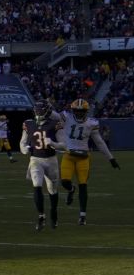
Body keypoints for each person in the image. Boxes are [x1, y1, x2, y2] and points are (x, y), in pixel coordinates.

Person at [57, 98, 120, 225]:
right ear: (73, 110)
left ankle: (82, 215)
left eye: (82, 111)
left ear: (86, 111)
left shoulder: (91, 123)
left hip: (83, 158)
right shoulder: (66, 117)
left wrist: (111, 158)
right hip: (68, 155)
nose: (79, 113)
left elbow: (99, 142)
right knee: (64, 182)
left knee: (83, 185)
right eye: (77, 111)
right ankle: (70, 190)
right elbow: (53, 115)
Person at [19, 101, 61, 230]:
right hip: (36, 159)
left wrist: (53, 143)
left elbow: (64, 144)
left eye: (40, 110)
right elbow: (22, 142)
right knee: (36, 185)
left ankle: (53, 212)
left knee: (52, 190)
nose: (38, 112)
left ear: (47, 111)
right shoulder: (28, 124)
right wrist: (24, 149)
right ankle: (41, 216)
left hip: (51, 159)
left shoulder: (55, 124)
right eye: (37, 110)